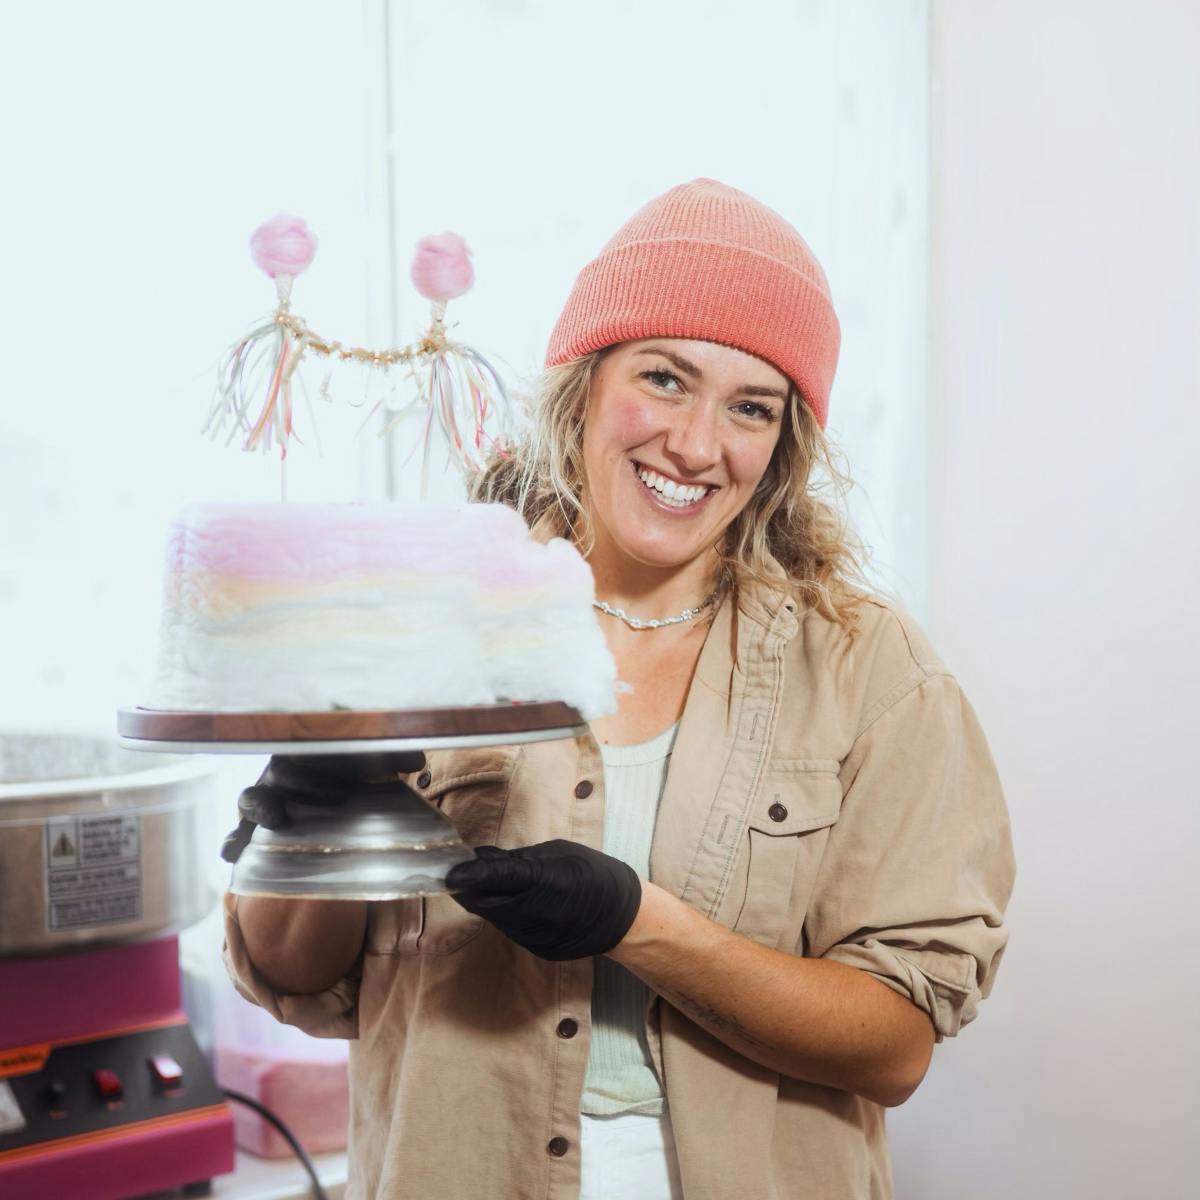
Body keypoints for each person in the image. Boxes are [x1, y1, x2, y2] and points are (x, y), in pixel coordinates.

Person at [221, 178, 1016, 1200]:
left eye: (750, 407)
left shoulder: (871, 673)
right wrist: (315, 829)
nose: (694, 445)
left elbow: (895, 1045)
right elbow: (296, 978)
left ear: (784, 444)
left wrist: (637, 924)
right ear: (586, 384)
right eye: (666, 378)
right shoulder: (422, 626)